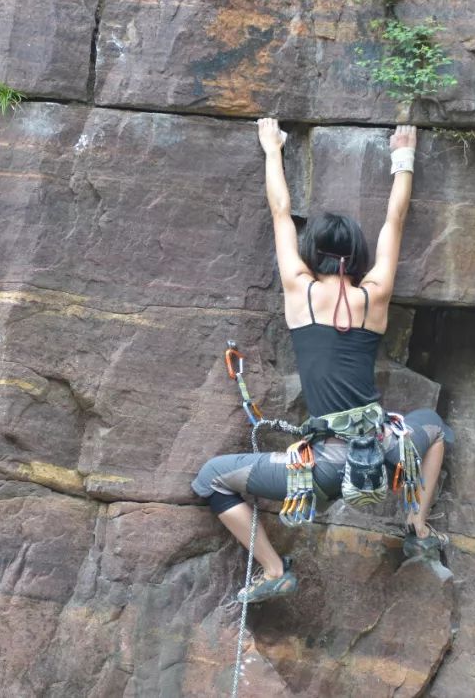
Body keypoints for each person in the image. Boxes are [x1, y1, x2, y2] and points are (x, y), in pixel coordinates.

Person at [191, 118, 454, 603]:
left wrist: (272, 148)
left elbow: (280, 211)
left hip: (321, 472)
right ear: (356, 256)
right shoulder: (375, 294)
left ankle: (273, 570)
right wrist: (404, 157)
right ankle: (416, 527)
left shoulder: (298, 288)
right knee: (432, 425)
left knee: (210, 478)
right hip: (385, 451)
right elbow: (394, 222)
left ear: (314, 254)